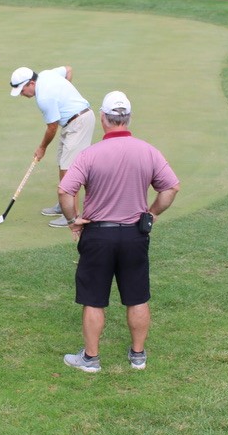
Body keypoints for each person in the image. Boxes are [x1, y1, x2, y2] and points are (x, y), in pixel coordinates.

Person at [57, 91, 181, 372]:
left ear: (103, 118)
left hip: (98, 235)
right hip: (134, 235)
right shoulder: (148, 151)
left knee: (94, 299)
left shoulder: (89, 154)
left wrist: (73, 219)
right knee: (137, 296)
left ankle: (91, 359)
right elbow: (171, 187)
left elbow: (65, 191)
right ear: (128, 118)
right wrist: (152, 213)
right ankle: (138, 356)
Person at [10, 65, 94, 227]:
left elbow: (52, 127)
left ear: (31, 83)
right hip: (72, 122)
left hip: (79, 123)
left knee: (69, 169)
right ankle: (64, 204)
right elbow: (68, 69)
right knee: (63, 163)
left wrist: (42, 148)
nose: (21, 94)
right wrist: (64, 95)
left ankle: (72, 214)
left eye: (22, 90)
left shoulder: (44, 98)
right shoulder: (46, 74)